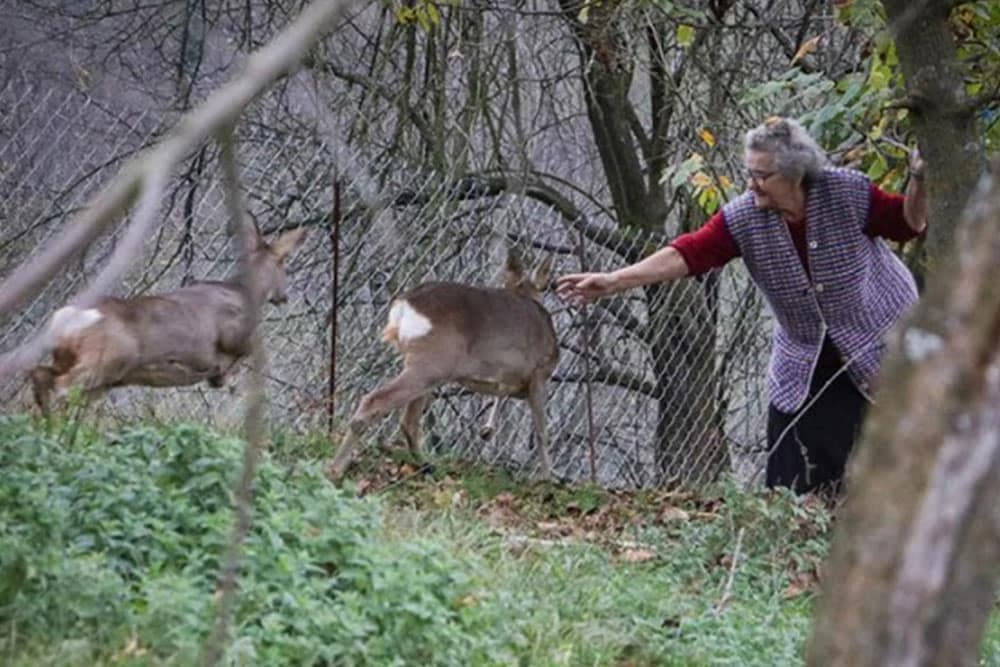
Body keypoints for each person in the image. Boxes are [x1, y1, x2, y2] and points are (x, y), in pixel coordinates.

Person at [556, 116, 927, 495]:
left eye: (762, 175)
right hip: (806, 356)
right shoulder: (745, 217)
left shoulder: (846, 192)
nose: (752, 185)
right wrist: (615, 280)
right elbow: (690, 252)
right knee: (791, 479)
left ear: (794, 173)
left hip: (883, 342)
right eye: (748, 173)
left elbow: (907, 223)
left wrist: (918, 179)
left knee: (893, 469)